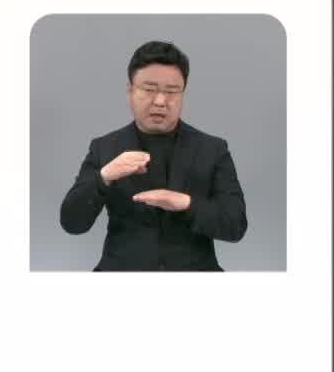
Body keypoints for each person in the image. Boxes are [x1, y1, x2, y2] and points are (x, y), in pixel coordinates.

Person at [58, 40, 248, 271]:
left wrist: (186, 204)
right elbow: (72, 223)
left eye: (171, 92)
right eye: (149, 90)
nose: (160, 101)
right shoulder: (104, 148)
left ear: (183, 93)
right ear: (130, 91)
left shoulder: (213, 149)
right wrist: (104, 177)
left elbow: (236, 226)